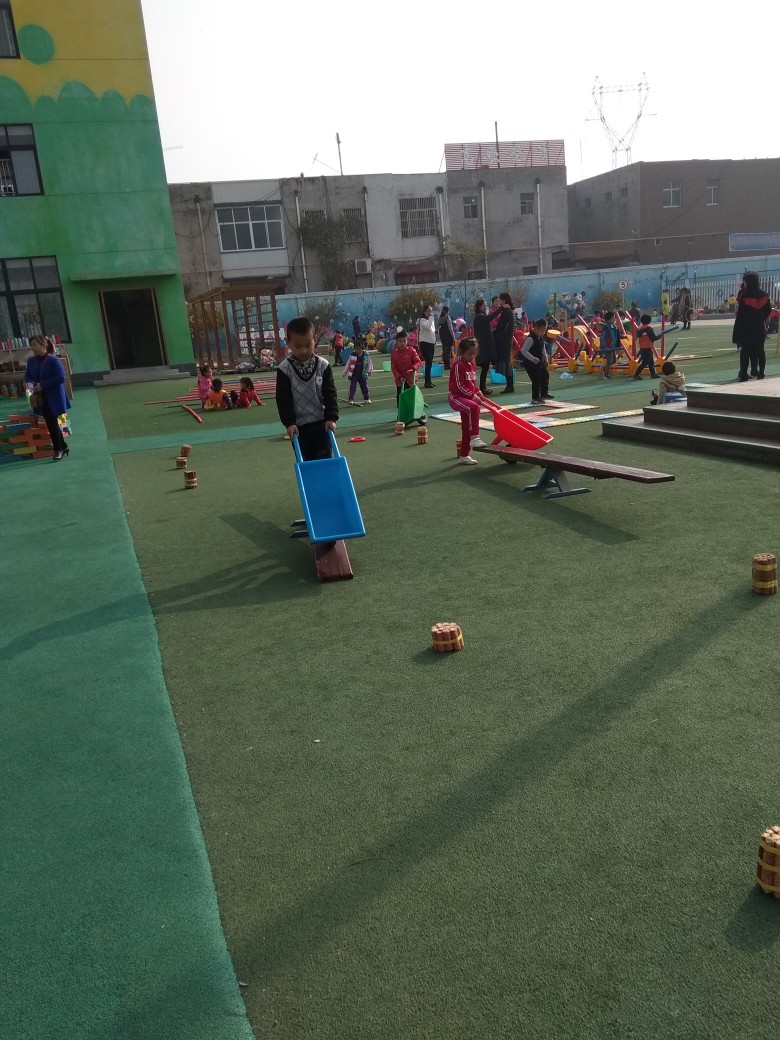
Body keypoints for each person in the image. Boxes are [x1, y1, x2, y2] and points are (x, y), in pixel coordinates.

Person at [275, 316, 338, 460]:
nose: (303, 350)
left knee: (325, 461)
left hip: (322, 424)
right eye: (298, 346)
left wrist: (331, 418)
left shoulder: (323, 365)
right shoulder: (284, 369)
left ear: (314, 339)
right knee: (305, 464)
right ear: (288, 342)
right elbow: (283, 399)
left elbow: (330, 394)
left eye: (308, 345)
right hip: (298, 429)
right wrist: (289, 423)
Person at [24, 335, 71, 461]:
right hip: (41, 398)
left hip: (55, 397)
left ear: (43, 344)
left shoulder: (53, 360)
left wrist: (42, 385)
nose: (32, 347)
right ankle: (63, 446)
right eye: (31, 345)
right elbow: (28, 377)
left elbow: (61, 378)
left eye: (34, 344)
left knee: (54, 423)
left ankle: (58, 450)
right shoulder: (31, 361)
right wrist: (31, 387)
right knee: (51, 423)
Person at [448, 337, 487, 466]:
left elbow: (471, 383)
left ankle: (464, 455)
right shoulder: (458, 365)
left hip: (466, 397)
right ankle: (475, 437)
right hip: (456, 397)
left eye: (474, 354)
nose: (472, 357)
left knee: (466, 427)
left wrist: (477, 391)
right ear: (461, 352)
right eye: (469, 354)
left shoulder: (472, 364)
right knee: (474, 407)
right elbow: (459, 386)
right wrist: (472, 395)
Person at [732, 271, 771, 382]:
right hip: (759, 326)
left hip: (747, 327)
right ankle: (761, 373)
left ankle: (744, 375)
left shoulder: (745, 295)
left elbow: (741, 313)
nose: (743, 283)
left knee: (745, 351)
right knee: (760, 350)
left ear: (748, 282)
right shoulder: (764, 294)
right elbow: (768, 310)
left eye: (744, 281)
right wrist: (760, 318)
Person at [520, 318, 553, 404]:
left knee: (545, 375)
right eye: (542, 331)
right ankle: (535, 398)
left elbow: (543, 348)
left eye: (544, 331)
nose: (543, 333)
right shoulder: (530, 339)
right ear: (536, 329)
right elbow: (523, 350)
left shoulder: (540, 337)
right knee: (536, 379)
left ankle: (544, 393)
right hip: (530, 363)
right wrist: (532, 358)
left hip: (539, 362)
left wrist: (545, 358)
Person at [489, 292, 516, 394]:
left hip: (504, 341)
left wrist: (492, 334)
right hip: (508, 340)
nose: (499, 302)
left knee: (506, 363)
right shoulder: (511, 312)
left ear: (504, 300)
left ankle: (510, 386)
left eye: (500, 300)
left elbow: (500, 327)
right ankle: (510, 385)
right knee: (507, 363)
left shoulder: (506, 312)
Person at [390, 329, 423, 408]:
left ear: (407, 341)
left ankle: (415, 410)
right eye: (400, 341)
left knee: (412, 397)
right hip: (400, 380)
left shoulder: (411, 350)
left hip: (411, 379)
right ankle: (401, 411)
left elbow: (418, 362)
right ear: (397, 342)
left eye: (404, 341)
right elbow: (394, 368)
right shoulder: (394, 354)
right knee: (400, 398)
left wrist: (413, 368)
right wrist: (399, 377)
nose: (402, 343)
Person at [472, 298, 496, 395]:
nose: (485, 307)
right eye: (483, 305)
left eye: (485, 305)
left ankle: (482, 387)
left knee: (485, 367)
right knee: (484, 365)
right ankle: (481, 388)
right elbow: (490, 318)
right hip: (482, 346)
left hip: (484, 345)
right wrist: (500, 309)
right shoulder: (479, 317)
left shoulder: (481, 316)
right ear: (479, 307)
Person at [343, 339, 373, 405]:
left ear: (362, 349)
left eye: (359, 349)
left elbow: (369, 363)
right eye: (356, 349)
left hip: (362, 374)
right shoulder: (352, 355)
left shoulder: (366, 355)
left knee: (364, 386)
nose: (358, 351)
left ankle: (366, 398)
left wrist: (369, 370)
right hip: (354, 374)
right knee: (352, 387)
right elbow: (348, 363)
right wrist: (345, 372)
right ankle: (351, 399)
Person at [633, 315, 660, 380]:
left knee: (651, 362)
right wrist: (659, 336)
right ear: (649, 321)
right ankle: (636, 375)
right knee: (645, 362)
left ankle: (653, 374)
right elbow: (653, 338)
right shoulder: (649, 329)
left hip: (643, 347)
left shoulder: (640, 329)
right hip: (647, 347)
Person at [417, 305, 437, 387]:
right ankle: (427, 382)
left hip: (431, 343)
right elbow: (428, 327)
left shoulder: (430, 320)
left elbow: (432, 331)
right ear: (424, 312)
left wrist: (434, 340)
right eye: (428, 311)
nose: (430, 313)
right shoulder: (422, 320)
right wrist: (431, 318)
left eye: (431, 311)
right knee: (428, 362)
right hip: (424, 343)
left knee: (430, 363)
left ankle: (429, 380)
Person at [599, 311, 621, 379]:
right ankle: (606, 374)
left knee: (614, 360)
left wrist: (622, 336)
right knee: (610, 360)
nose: (614, 319)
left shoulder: (614, 327)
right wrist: (605, 346)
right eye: (612, 318)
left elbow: (617, 335)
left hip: (612, 347)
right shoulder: (605, 328)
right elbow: (602, 338)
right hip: (607, 347)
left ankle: (604, 368)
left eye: (614, 318)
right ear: (608, 320)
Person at [438, 305, 455, 370]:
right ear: (448, 311)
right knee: (448, 350)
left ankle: (445, 364)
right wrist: (453, 337)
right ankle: (447, 365)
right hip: (448, 335)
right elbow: (450, 328)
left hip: (442, 335)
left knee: (444, 349)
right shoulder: (447, 317)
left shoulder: (441, 317)